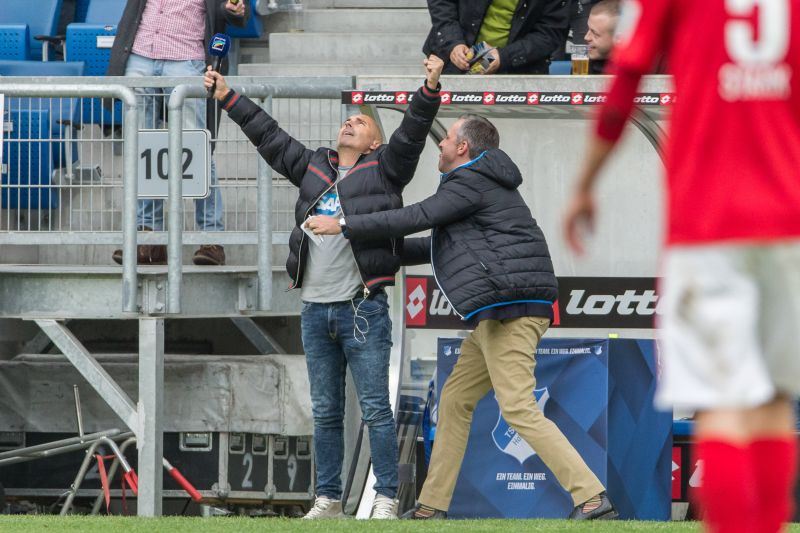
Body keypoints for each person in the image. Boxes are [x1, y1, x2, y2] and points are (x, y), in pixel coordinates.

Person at [307, 114, 616, 521]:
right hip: (496, 315)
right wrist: (374, 252)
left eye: (447, 139)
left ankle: (591, 497)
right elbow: (431, 244)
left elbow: (416, 216)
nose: (440, 144)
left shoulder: (470, 182)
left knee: (519, 408)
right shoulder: (474, 185)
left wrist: (344, 225)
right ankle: (431, 508)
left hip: (513, 312)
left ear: (463, 148)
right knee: (454, 401)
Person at [564, 1, 800, 532]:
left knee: (720, 405)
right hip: (785, 221)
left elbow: (625, 78)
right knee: (770, 402)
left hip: (706, 223)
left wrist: (584, 185)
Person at [204, 56, 444, 519]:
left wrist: (429, 88)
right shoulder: (316, 165)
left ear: (375, 140)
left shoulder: (386, 170)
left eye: (360, 121)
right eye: (347, 119)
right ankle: (328, 499)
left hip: (361, 309)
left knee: (376, 408)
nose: (350, 122)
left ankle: (386, 498)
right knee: (326, 412)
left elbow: (413, 132)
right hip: (314, 310)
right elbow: (269, 136)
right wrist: (228, 98)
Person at [107, 0, 250, 266]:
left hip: (187, 58)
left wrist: (236, 10)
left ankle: (211, 237)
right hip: (140, 54)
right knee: (143, 151)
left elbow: (234, 11)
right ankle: (149, 238)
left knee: (196, 148)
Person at [424, 0, 569, 75]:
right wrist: (453, 42)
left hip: (518, 66)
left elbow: (551, 32)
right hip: (455, 58)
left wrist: (503, 57)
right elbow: (441, 4)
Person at [583, 0, 619, 74]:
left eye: (595, 33)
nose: (586, 37)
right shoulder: (583, 66)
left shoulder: (641, 73)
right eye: (588, 29)